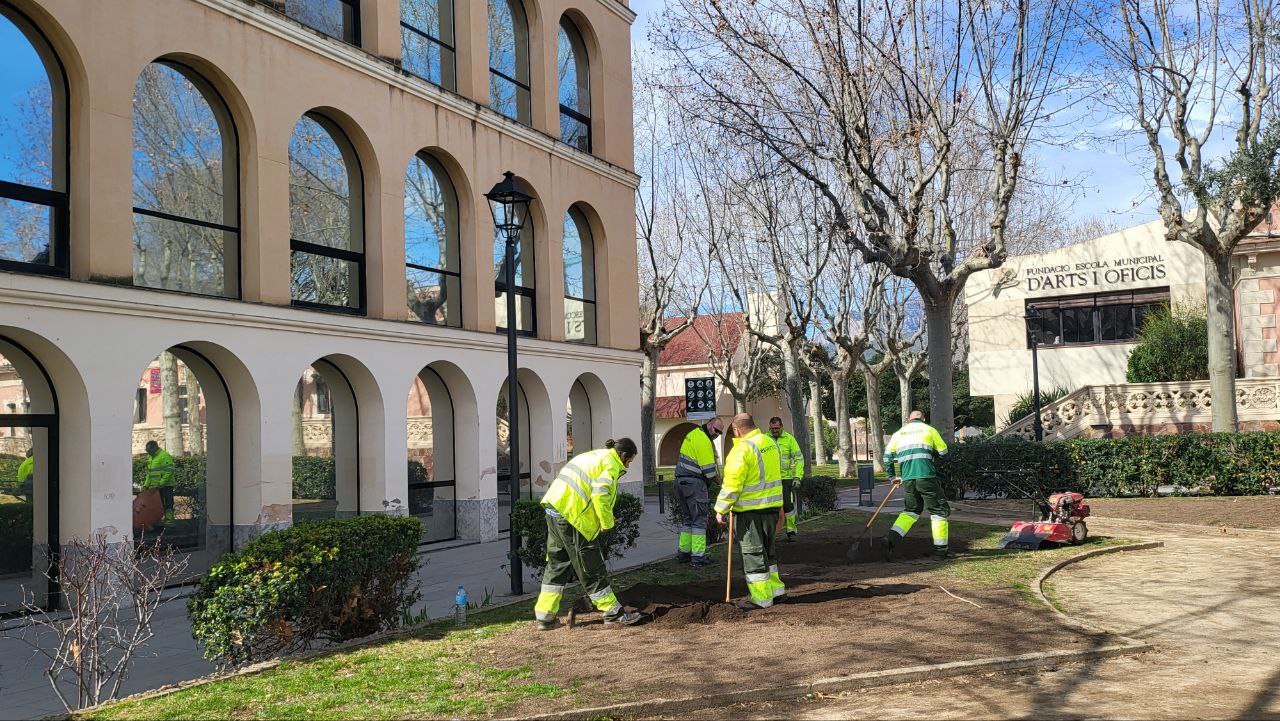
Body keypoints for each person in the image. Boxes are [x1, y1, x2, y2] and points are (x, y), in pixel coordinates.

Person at [533, 438, 644, 630]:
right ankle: (613, 612)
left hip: (555, 508)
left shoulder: (595, 456)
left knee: (557, 564)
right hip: (573, 517)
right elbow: (600, 494)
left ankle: (545, 616)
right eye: (630, 461)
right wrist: (607, 523)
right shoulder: (610, 464)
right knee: (590, 565)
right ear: (624, 456)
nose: (628, 465)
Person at [715, 413, 786, 610]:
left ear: (737, 430)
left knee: (753, 554)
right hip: (771, 509)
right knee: (768, 552)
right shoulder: (770, 443)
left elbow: (732, 484)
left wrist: (721, 508)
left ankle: (761, 598)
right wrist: (780, 508)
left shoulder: (742, 450)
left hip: (750, 513)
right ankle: (776, 591)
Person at [881, 410, 951, 560]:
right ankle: (941, 551)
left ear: (908, 420)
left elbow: (887, 457)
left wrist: (892, 477)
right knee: (939, 511)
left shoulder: (898, 434)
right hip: (927, 477)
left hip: (908, 480)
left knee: (911, 511)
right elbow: (944, 452)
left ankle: (891, 539)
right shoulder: (929, 430)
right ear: (923, 419)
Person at [673, 417, 724, 566]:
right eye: (716, 430)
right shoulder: (703, 441)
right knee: (699, 521)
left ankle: (684, 553)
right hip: (694, 484)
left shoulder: (693, 433)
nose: (717, 434)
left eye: (720, 433)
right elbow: (709, 472)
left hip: (680, 482)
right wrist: (722, 485)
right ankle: (698, 557)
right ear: (709, 424)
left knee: (688, 519)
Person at [768, 417, 805, 541]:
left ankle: (791, 531)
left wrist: (797, 477)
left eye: (777, 428)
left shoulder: (789, 439)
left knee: (788, 505)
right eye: (772, 429)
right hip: (770, 479)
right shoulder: (765, 439)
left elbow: (799, 459)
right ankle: (770, 533)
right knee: (769, 506)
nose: (774, 431)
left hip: (786, 478)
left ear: (781, 426)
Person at [142, 440, 177, 516]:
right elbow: (150, 473)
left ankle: (169, 522)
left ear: (154, 448)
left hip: (166, 486)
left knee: (168, 505)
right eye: (146, 450)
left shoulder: (164, 456)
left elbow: (169, 471)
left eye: (148, 450)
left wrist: (161, 483)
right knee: (159, 506)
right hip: (156, 487)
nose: (147, 452)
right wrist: (146, 485)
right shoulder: (151, 457)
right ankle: (159, 522)